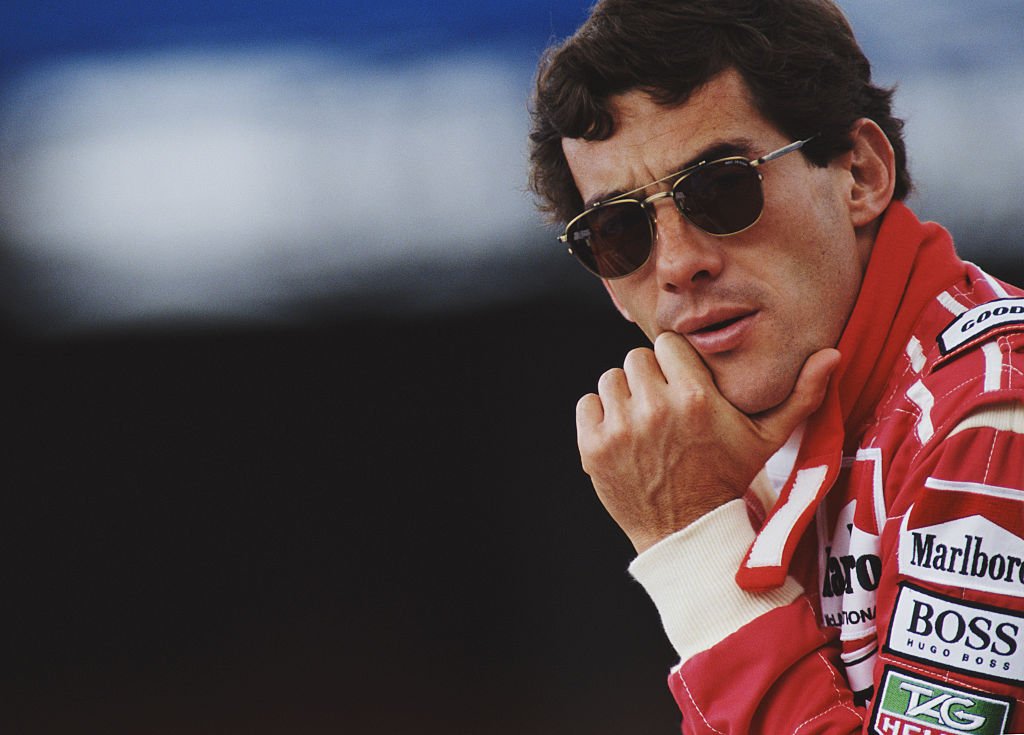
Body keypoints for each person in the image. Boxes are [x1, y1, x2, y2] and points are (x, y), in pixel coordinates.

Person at [527, 1, 1024, 732]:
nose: (677, 264)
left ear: (860, 172)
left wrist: (693, 545)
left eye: (721, 187)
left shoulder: (991, 422)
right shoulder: (768, 439)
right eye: (619, 229)